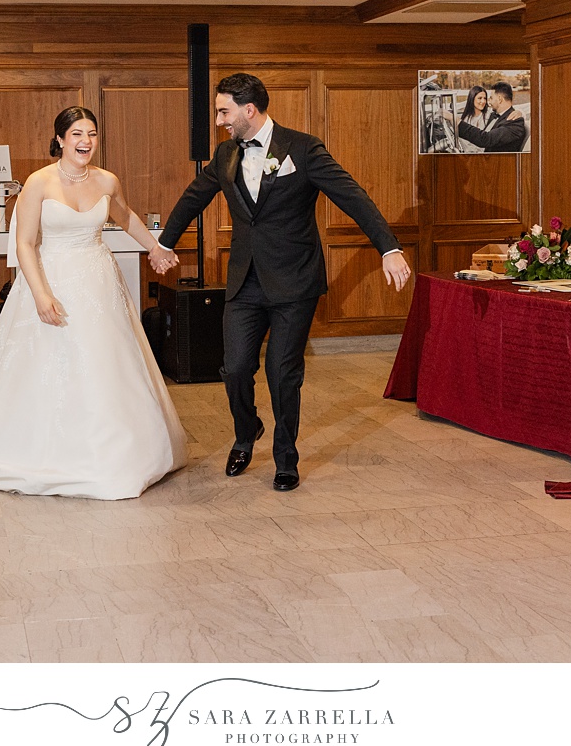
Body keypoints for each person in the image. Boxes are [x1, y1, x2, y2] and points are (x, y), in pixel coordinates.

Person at [150, 73, 411, 492]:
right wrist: (163, 244)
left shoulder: (303, 149)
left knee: (282, 373)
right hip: (244, 283)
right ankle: (247, 429)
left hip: (294, 283)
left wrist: (388, 248)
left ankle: (285, 457)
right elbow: (192, 198)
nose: (219, 120)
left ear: (248, 110)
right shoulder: (225, 154)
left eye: (224, 111)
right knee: (235, 369)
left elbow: (352, 196)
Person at [0, 107, 187, 500]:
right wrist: (40, 294)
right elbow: (24, 243)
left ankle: (118, 453)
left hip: (99, 281)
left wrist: (155, 247)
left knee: (105, 365)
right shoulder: (39, 182)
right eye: (77, 134)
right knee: (43, 364)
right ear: (60, 139)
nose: (86, 141)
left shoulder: (107, 180)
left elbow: (126, 217)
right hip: (50, 278)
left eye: (93, 134)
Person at [444, 80, 527, 152]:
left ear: (499, 99)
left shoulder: (515, 123)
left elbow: (486, 139)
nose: (488, 102)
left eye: (491, 98)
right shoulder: (497, 115)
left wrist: (455, 120)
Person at [457, 85, 492, 152]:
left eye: (485, 98)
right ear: (472, 98)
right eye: (480, 98)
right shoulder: (465, 119)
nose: (483, 101)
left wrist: (517, 113)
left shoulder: (489, 115)